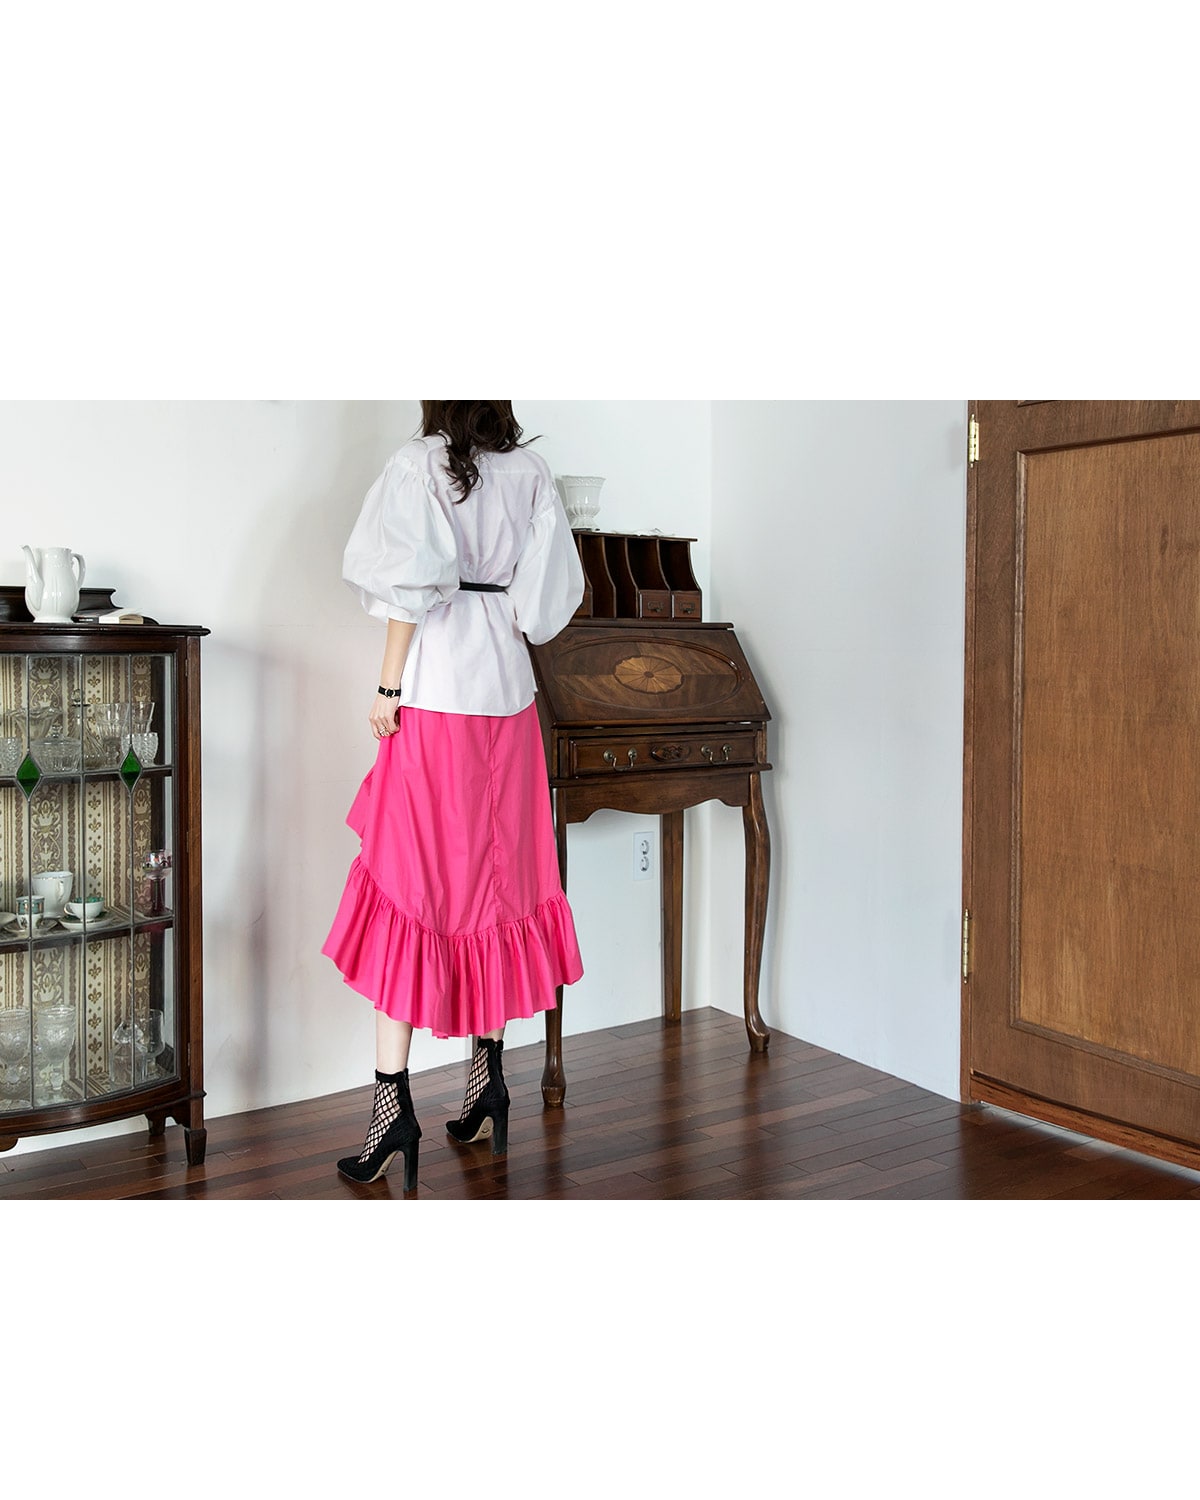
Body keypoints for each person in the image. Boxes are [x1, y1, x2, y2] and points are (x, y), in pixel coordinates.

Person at [322, 401, 585, 1189]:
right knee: (496, 892)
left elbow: (408, 591)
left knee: (409, 888)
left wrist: (386, 686)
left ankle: (391, 1110)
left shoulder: (421, 463)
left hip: (436, 695)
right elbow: (542, 607)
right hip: (508, 700)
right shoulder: (531, 472)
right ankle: (486, 1082)